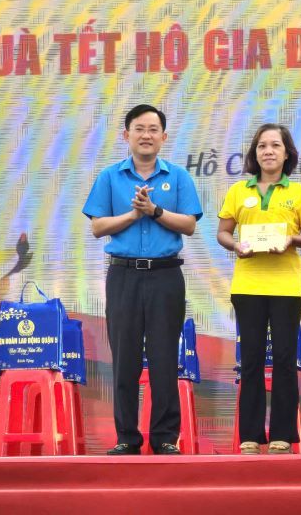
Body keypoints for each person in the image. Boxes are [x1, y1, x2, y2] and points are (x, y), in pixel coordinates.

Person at [83, 104, 202, 455]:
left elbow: (190, 225)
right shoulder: (110, 177)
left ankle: (165, 437)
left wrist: (157, 212)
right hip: (123, 276)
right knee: (125, 358)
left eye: (153, 129)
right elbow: (97, 227)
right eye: (139, 128)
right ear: (126, 135)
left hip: (166, 276)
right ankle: (127, 438)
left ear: (164, 137)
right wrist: (134, 214)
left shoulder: (178, 176)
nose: (146, 135)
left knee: (165, 357)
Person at [217, 124, 301, 455]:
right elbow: (223, 232)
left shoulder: (298, 193)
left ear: (287, 153)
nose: (268, 151)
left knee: (286, 360)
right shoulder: (238, 190)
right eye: (261, 146)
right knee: (252, 360)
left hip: (286, 287)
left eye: (275, 145)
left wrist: (291, 239)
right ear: (254, 153)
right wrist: (236, 246)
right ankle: (250, 434)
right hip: (247, 284)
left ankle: (283, 434)